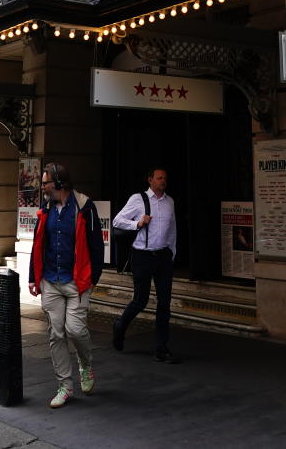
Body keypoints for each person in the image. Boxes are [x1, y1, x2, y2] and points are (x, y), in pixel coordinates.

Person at [27, 163, 103, 409]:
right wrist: (32, 276)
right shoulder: (45, 208)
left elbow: (96, 245)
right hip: (50, 279)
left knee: (75, 330)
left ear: (59, 183)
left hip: (76, 281)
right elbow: (38, 242)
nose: (43, 187)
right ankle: (65, 386)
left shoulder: (84, 207)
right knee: (55, 333)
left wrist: (93, 278)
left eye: (46, 182)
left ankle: (86, 364)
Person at [112, 167, 179, 363]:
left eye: (165, 178)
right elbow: (118, 220)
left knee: (164, 303)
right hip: (142, 255)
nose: (163, 181)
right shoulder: (138, 199)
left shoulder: (170, 202)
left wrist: (172, 252)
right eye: (159, 178)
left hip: (163, 256)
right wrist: (137, 224)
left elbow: (173, 228)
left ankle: (161, 347)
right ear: (150, 180)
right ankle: (120, 326)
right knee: (140, 300)